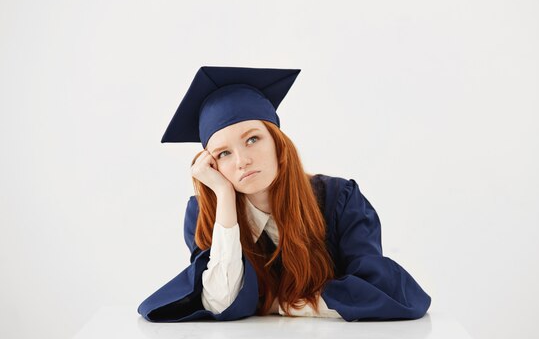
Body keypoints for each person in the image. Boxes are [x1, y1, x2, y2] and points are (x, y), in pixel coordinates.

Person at [138, 66, 432, 322]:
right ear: (212, 164)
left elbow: (380, 292)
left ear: (278, 143)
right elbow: (219, 301)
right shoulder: (205, 212)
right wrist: (225, 197)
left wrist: (287, 305)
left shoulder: (339, 200)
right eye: (224, 153)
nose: (242, 161)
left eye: (252, 139)